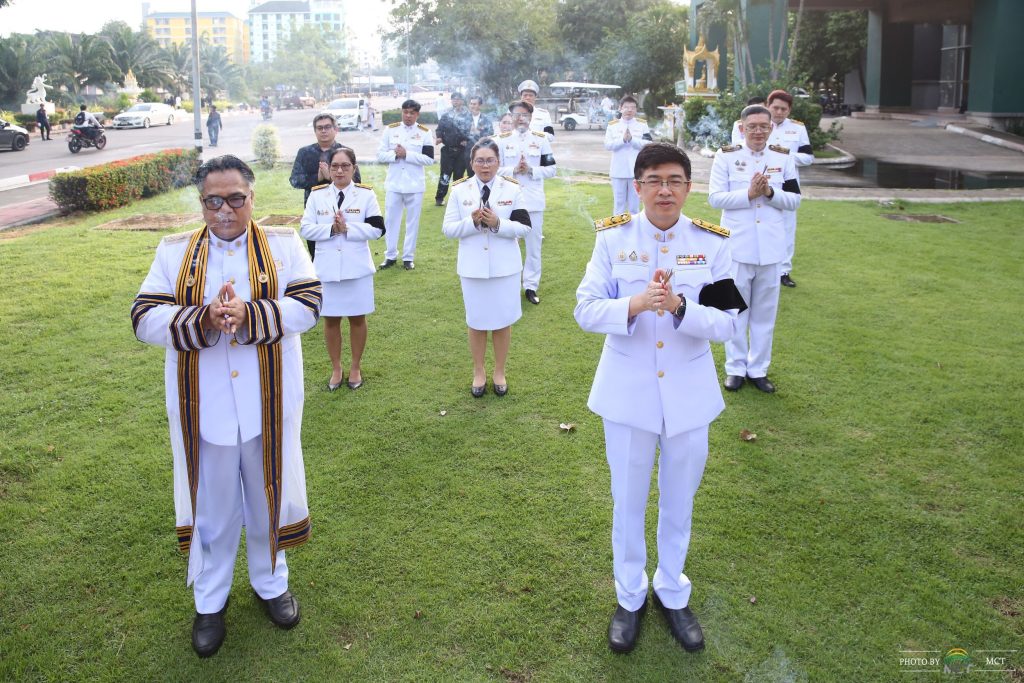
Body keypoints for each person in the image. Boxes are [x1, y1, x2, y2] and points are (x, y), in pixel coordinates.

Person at [130, 155, 322, 658]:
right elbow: (144, 315)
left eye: (235, 198)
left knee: (266, 498)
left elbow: (309, 301)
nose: (224, 210)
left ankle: (271, 583)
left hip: (268, 401)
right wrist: (204, 318)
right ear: (202, 202)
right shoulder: (175, 252)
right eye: (213, 200)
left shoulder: (282, 245)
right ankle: (209, 601)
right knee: (211, 509)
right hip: (205, 409)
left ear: (252, 197)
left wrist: (252, 311)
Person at [575, 142, 745, 655]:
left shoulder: (712, 243)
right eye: (653, 180)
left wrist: (679, 307)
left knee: (679, 500)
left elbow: (730, 322)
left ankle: (672, 589)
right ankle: (630, 596)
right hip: (627, 395)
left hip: (689, 395)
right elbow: (585, 308)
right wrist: (632, 303)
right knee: (628, 501)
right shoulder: (613, 239)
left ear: (689, 187)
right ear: (637, 187)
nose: (664, 190)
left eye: (674, 180)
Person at [709, 105, 801, 394]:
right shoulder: (726, 156)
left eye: (764, 126)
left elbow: (795, 199)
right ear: (742, 128)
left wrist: (770, 193)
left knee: (764, 314)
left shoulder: (782, 157)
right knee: (735, 310)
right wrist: (748, 194)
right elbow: (715, 198)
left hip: (771, 250)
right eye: (753, 126)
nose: (759, 132)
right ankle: (735, 368)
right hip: (737, 247)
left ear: (771, 127)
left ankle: (758, 369)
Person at [442, 139, 533, 397]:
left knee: (503, 321)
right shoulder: (460, 190)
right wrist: (471, 223)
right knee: (477, 321)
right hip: (472, 269)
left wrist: (497, 223)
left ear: (499, 162)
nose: (485, 166)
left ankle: (499, 371)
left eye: (490, 160)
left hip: (505, 268)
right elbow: (448, 229)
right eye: (479, 160)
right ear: (471, 163)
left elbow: (525, 228)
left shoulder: (513, 189)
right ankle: (479, 371)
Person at [300, 147, 384, 390]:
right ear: (328, 167)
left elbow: (378, 229)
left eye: (345, 166)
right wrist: (331, 230)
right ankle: (336, 368)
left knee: (358, 319)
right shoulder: (317, 195)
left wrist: (349, 229)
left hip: (356, 269)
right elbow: (306, 229)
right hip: (327, 269)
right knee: (331, 321)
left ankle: (355, 366)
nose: (339, 170)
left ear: (353, 168)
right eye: (335, 165)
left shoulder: (366, 195)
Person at [496, 100, 556, 306]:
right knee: (507, 243)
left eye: (524, 115)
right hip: (508, 200)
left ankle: (531, 286)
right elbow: (493, 169)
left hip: (533, 200)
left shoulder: (541, 140)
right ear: (511, 117)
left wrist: (531, 169)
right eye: (516, 115)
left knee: (533, 246)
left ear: (531, 118)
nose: (520, 118)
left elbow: (552, 169)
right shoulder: (501, 140)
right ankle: (509, 284)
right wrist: (514, 169)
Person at [290, 113, 361, 256]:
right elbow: (295, 180)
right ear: (315, 131)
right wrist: (317, 177)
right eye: (319, 128)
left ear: (336, 129)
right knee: (317, 252)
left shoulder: (346, 152)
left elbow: (357, 182)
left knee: (343, 251)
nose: (323, 131)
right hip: (315, 209)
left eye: (328, 127)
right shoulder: (305, 153)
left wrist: (332, 178)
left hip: (343, 209)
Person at [376, 99, 435, 271]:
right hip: (394, 184)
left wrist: (407, 154)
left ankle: (408, 257)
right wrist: (395, 155)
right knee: (391, 221)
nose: (408, 116)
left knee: (412, 222)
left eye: (412, 113)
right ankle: (390, 256)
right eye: (405, 112)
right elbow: (380, 154)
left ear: (417, 114)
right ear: (402, 112)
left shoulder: (424, 132)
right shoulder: (391, 129)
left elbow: (429, 159)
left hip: (415, 185)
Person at [765, 89, 814, 288]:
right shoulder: (753, 125)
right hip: (762, 181)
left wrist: (784, 155)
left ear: (789, 110)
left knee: (786, 227)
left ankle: (784, 271)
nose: (779, 112)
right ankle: (763, 269)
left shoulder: (798, 129)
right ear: (768, 106)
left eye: (783, 109)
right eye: (775, 107)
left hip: (787, 182)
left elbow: (808, 157)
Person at [604, 95, 653, 215]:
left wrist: (632, 140)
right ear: (620, 108)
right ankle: (618, 232)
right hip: (618, 171)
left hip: (636, 171)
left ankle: (634, 232)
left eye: (632, 107)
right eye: (626, 107)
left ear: (636, 110)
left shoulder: (642, 124)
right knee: (618, 206)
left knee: (634, 207)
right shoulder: (613, 125)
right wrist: (622, 140)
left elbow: (648, 143)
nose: (629, 110)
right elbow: (608, 145)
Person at [433, 92, 472, 206]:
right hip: (447, 150)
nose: (455, 101)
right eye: (453, 99)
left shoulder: (468, 116)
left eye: (458, 99)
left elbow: (472, 131)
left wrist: (467, 139)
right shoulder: (446, 115)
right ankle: (439, 198)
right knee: (445, 175)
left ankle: (456, 199)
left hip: (462, 151)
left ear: (462, 101)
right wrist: (439, 137)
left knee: (459, 175)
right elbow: (439, 129)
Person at [464, 95, 494, 177]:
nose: (472, 106)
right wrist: (469, 133)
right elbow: (459, 132)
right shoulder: (463, 118)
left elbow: (491, 133)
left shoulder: (486, 118)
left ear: (480, 105)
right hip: (467, 153)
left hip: (482, 152)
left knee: (482, 176)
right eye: (471, 104)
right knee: (470, 176)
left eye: (474, 104)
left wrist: (479, 133)